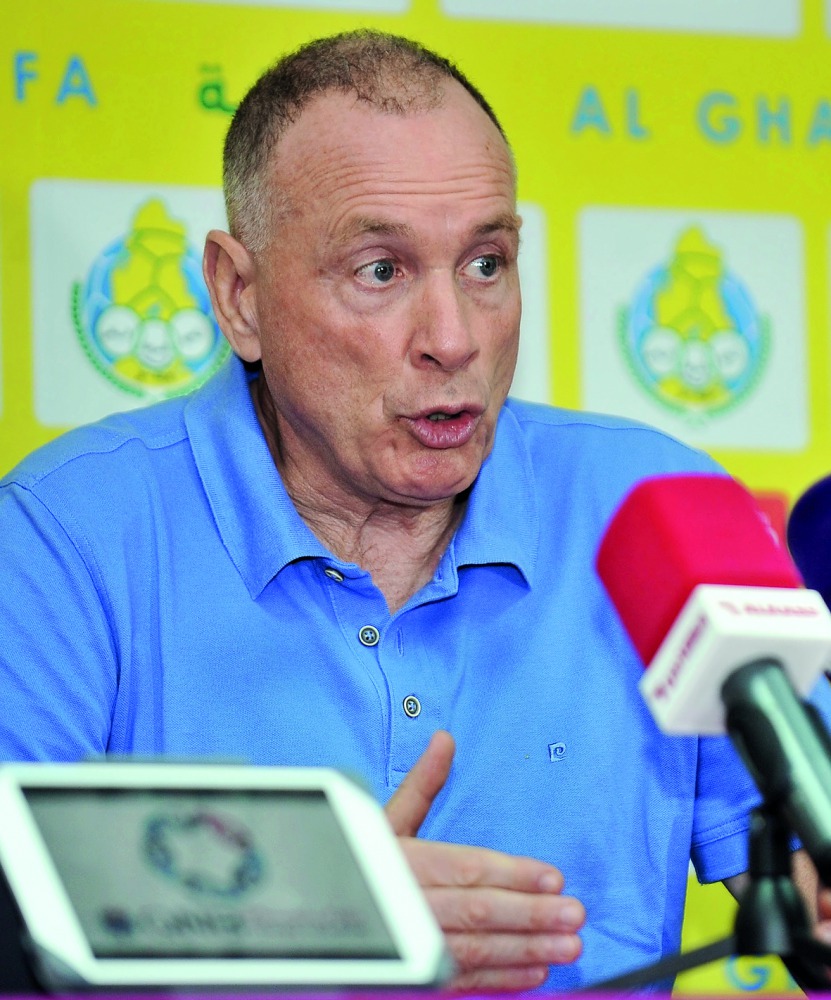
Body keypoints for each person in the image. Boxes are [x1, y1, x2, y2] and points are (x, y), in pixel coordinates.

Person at [2, 29, 831, 993]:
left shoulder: (654, 508)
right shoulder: (67, 534)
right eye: (381, 270)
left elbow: (810, 858)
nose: (453, 338)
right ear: (239, 297)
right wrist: (308, 913)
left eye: (486, 263)